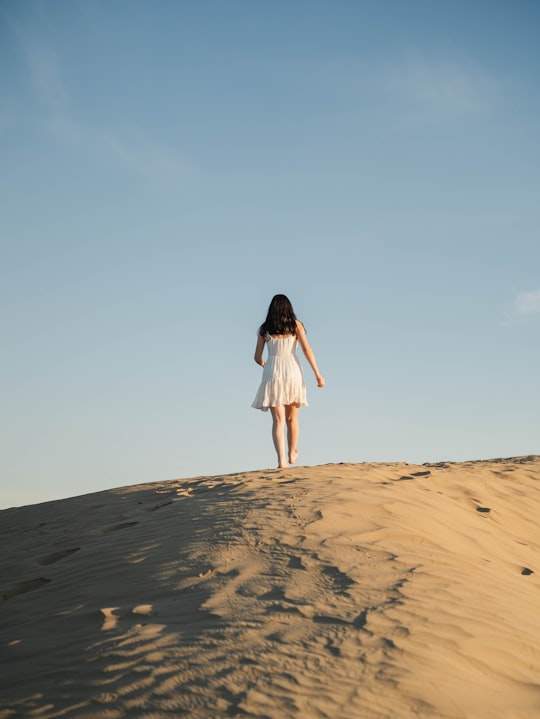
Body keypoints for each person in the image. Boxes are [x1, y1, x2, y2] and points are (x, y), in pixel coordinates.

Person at [251, 294, 325, 469]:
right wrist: (317, 374)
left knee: (278, 421)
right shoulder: (296, 325)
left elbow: (256, 357)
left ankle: (282, 461)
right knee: (292, 418)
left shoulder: (264, 329)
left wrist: (264, 364)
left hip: (273, 372)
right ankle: (292, 452)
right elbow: (307, 349)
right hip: (293, 371)